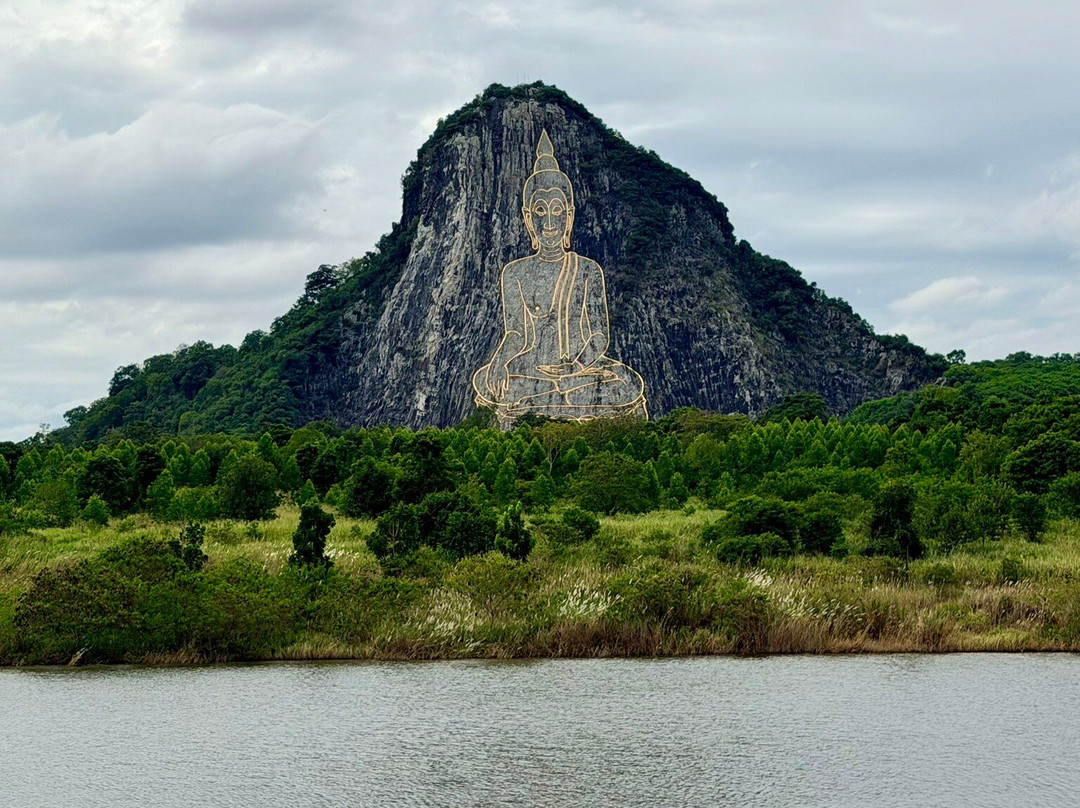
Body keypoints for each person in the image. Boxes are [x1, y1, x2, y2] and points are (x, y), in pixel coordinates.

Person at [472, 129, 647, 426]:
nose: (550, 222)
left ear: (570, 215)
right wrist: (500, 362)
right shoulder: (515, 272)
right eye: (541, 211)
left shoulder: (588, 269)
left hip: (581, 373)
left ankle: (558, 402)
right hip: (535, 372)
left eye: (558, 211)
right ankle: (544, 404)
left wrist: (575, 366)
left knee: (623, 387)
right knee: (494, 382)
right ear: (528, 217)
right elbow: (516, 333)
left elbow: (599, 334)